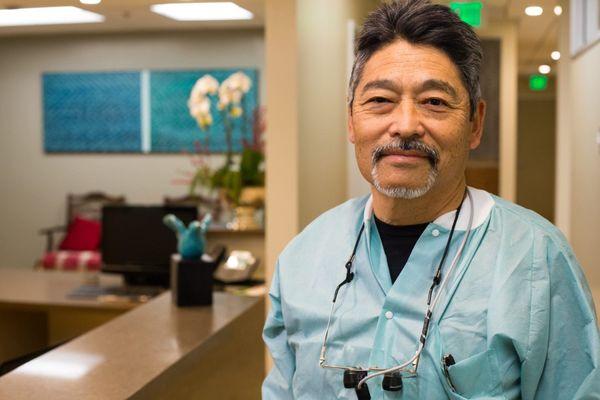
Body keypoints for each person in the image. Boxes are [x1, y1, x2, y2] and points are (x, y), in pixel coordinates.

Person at [262, 0, 600, 399]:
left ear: (475, 123)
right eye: (380, 100)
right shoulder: (303, 259)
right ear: (352, 121)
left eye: (435, 102)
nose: (405, 125)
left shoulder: (537, 260)